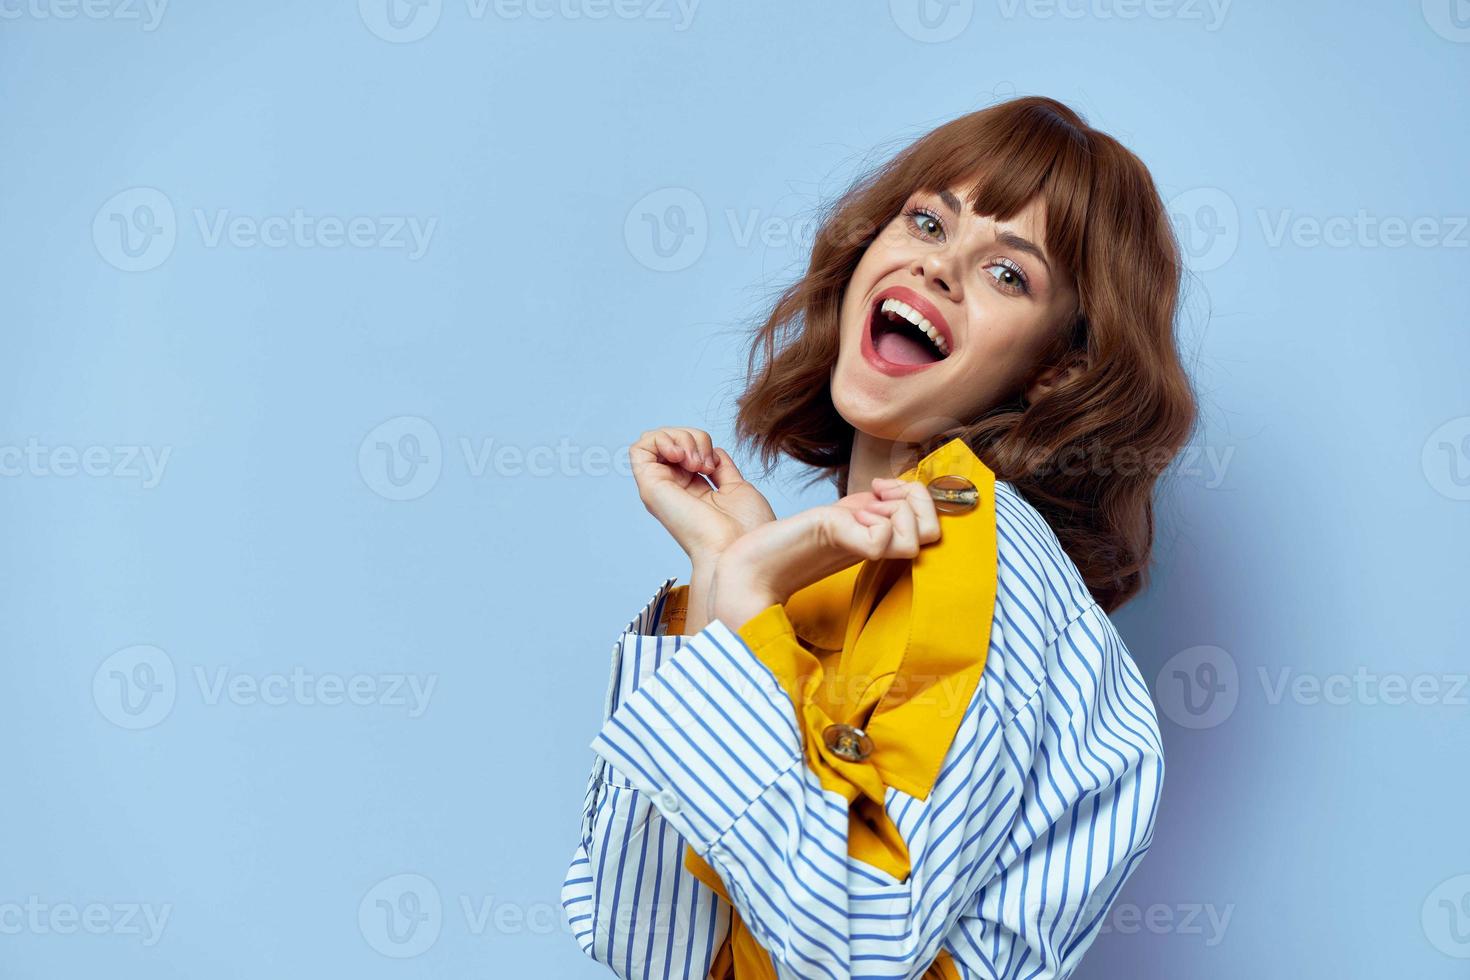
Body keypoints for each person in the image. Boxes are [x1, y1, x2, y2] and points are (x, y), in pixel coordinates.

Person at [562, 94, 1198, 979]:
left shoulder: (984, 556)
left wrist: (746, 605)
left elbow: (860, 944)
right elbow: (647, 939)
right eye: (929, 221)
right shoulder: (825, 579)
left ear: (1056, 369)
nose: (940, 268)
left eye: (1008, 273)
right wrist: (721, 575)